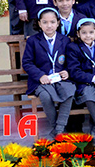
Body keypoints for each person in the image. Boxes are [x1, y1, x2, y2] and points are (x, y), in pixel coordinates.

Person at [21, 7, 75, 138]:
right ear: (39, 24)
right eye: (45, 22)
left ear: (58, 23)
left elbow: (72, 61)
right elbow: (27, 63)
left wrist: (67, 71)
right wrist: (40, 75)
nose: (49, 25)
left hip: (61, 79)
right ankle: (57, 127)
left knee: (69, 93)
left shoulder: (65, 40)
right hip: (41, 80)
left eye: (52, 22)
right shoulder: (33, 41)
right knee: (45, 96)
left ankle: (59, 129)